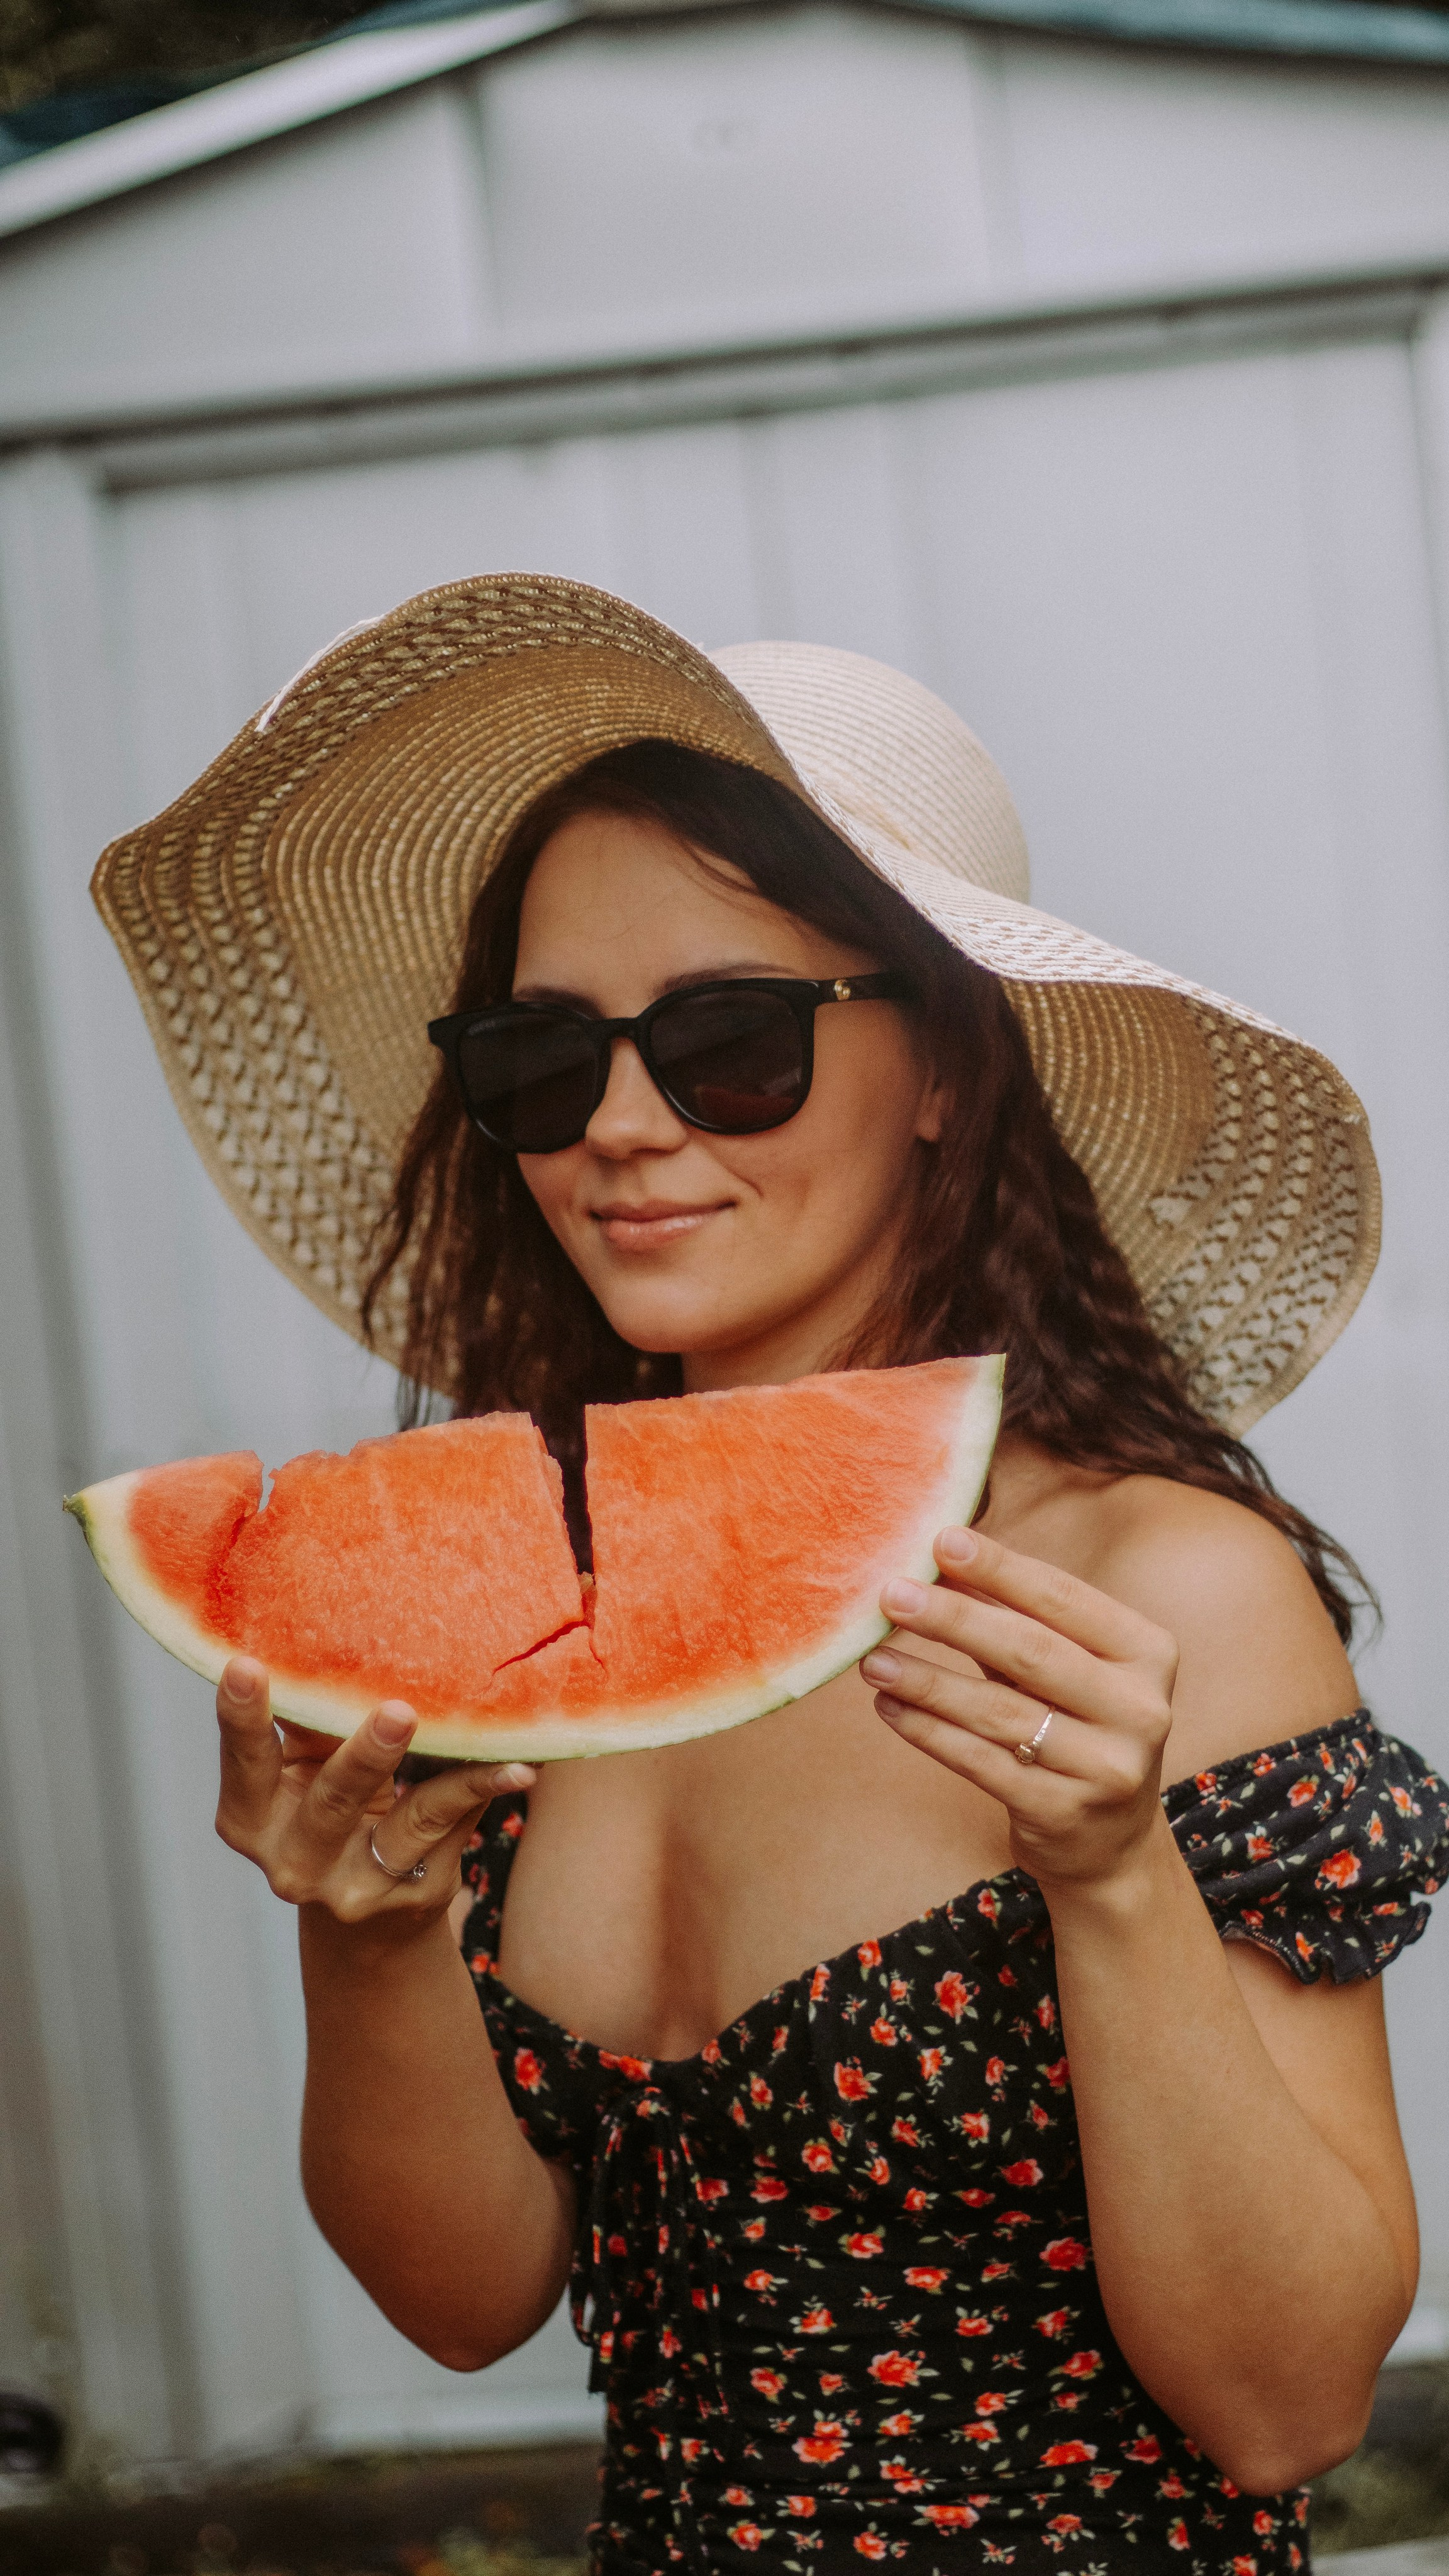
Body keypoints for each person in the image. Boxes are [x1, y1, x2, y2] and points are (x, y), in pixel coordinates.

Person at [94, 577, 1449, 2574]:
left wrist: (1112, 1877)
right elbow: (462, 2304)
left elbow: (1291, 2407)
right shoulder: (532, 1611)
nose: (622, 1130)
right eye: (542, 1060)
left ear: (949, 1068)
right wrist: (370, 1942)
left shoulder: (1164, 1588)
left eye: (727, 1043)